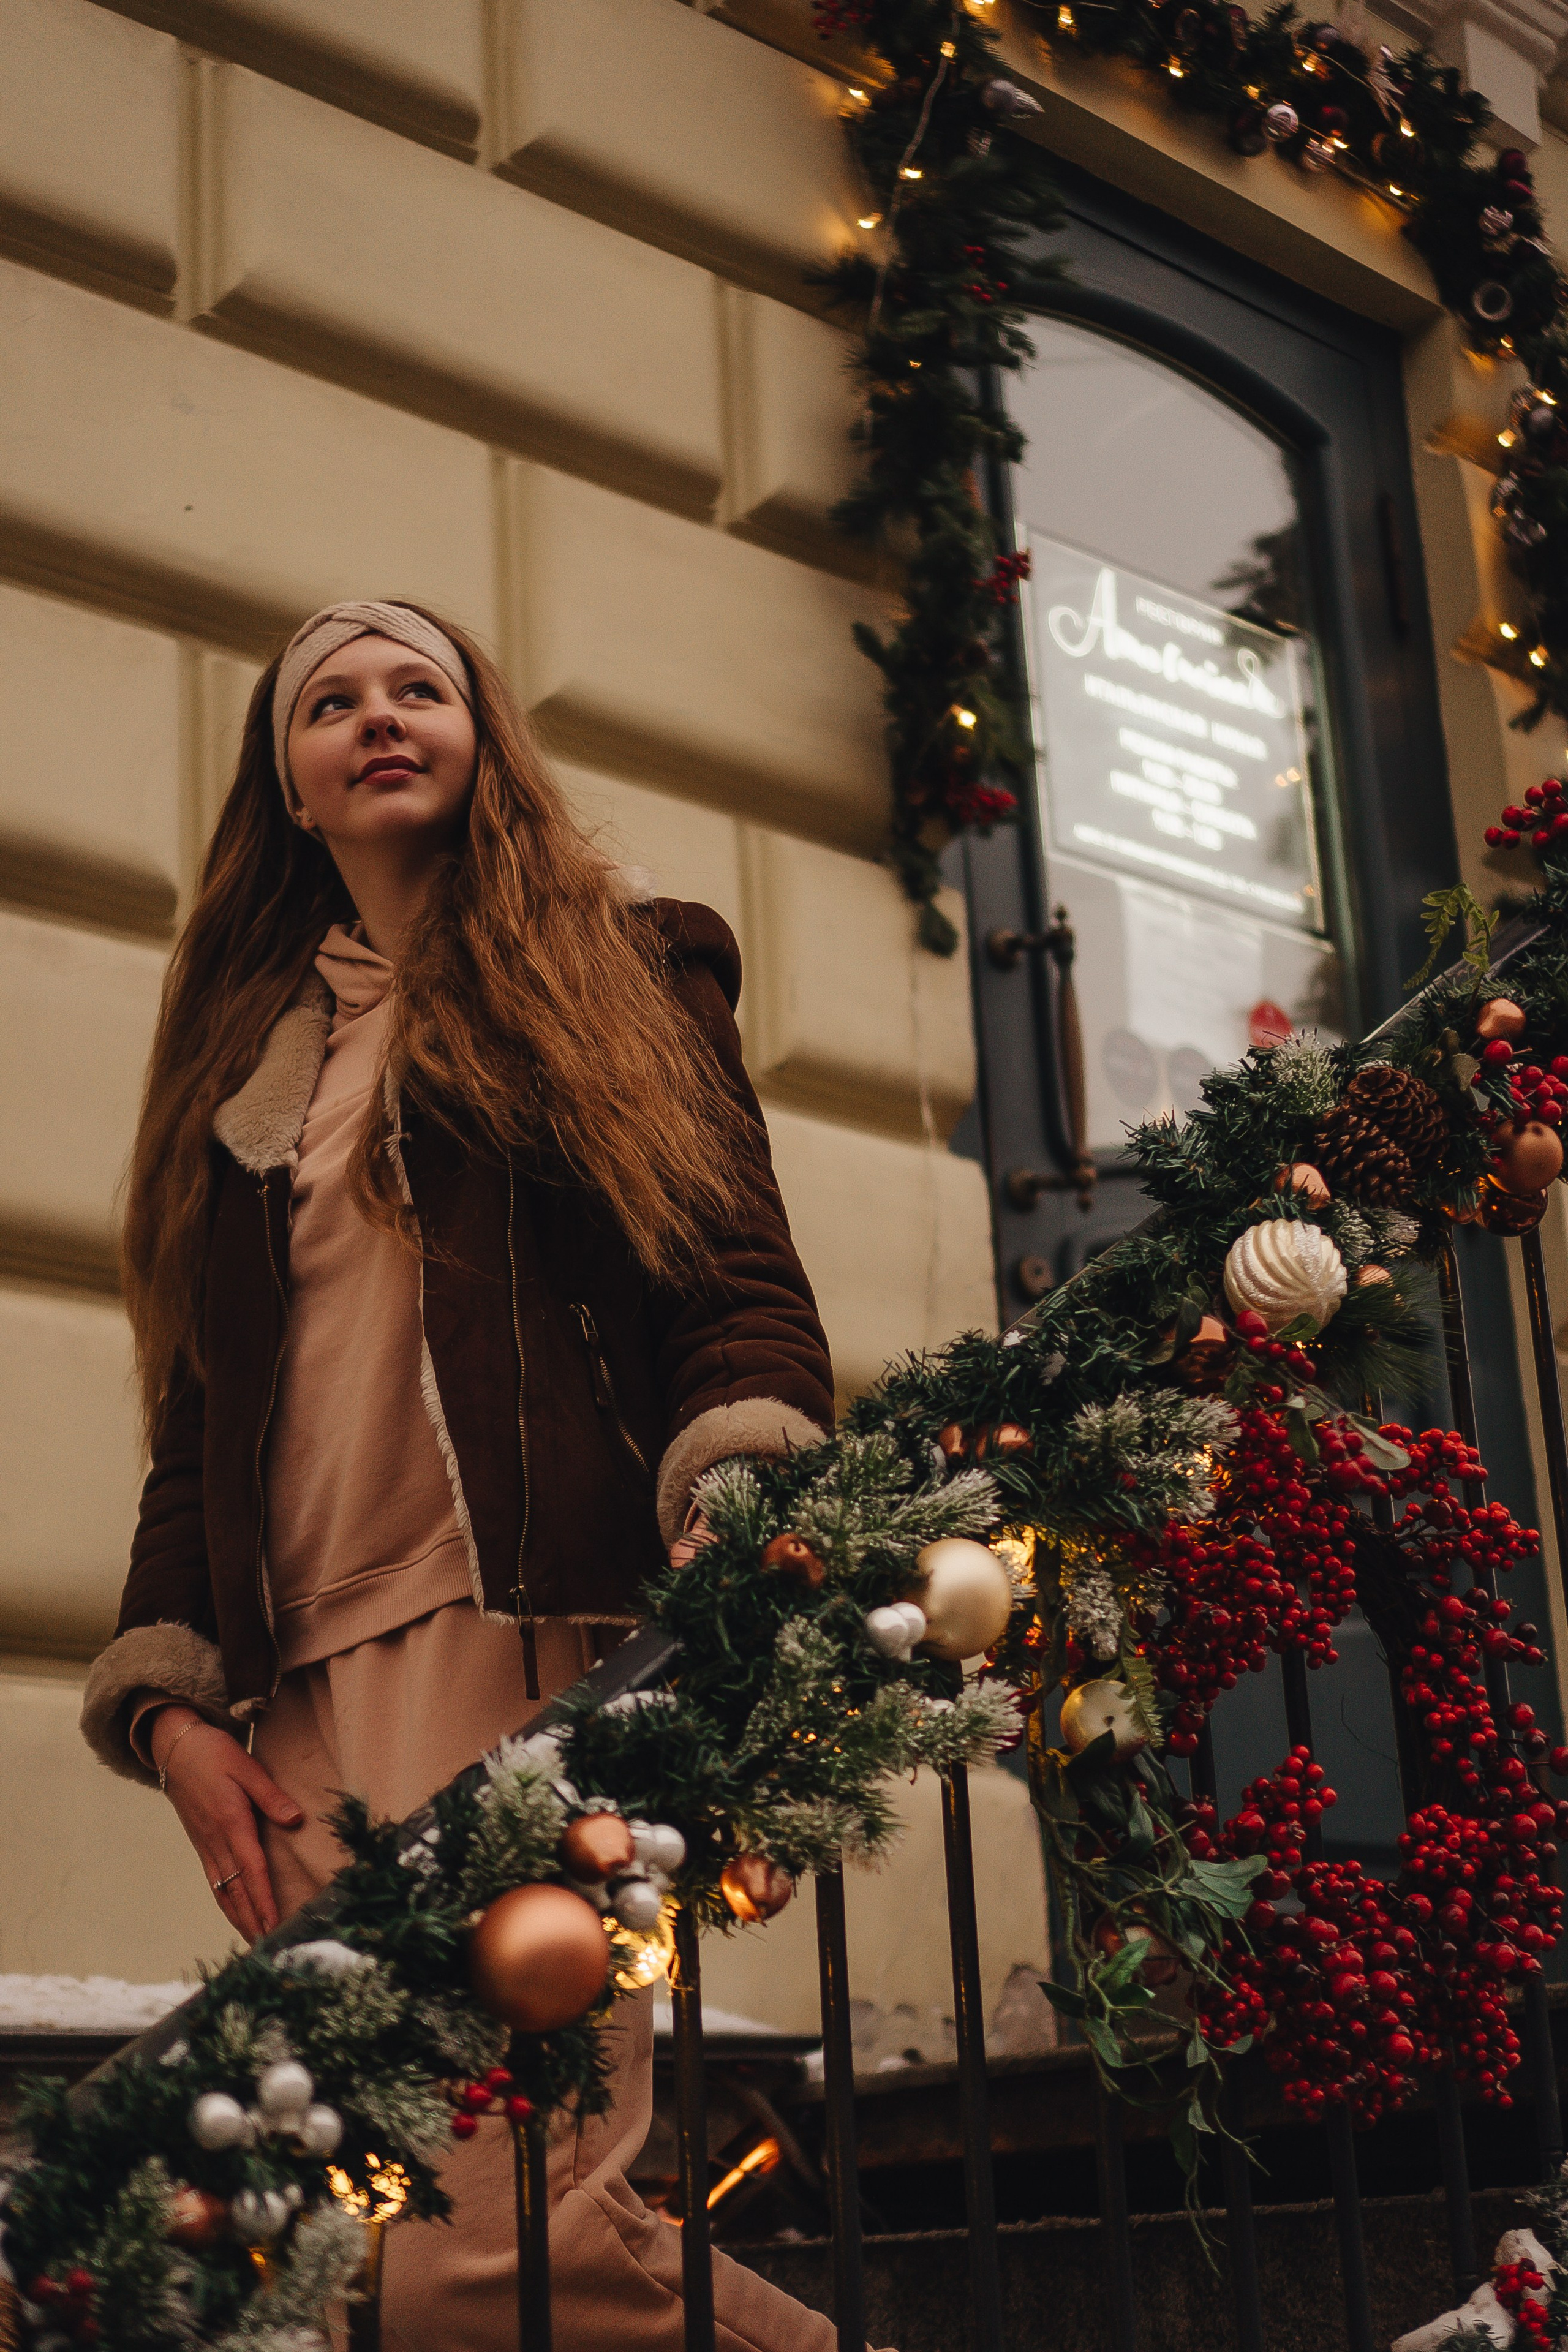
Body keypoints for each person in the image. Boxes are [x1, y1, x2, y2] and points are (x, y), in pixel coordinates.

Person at [80, 599, 848, 2350]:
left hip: (525, 1645)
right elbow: (197, 1430)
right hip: (299, 1703)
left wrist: (739, 1518)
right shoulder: (253, 1072)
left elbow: (733, 1288)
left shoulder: (621, 968)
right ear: (289, 787)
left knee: (496, 2253)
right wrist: (176, 1708)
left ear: (482, 733)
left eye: (417, 686)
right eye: (328, 703)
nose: (376, 715)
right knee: (361, 2268)